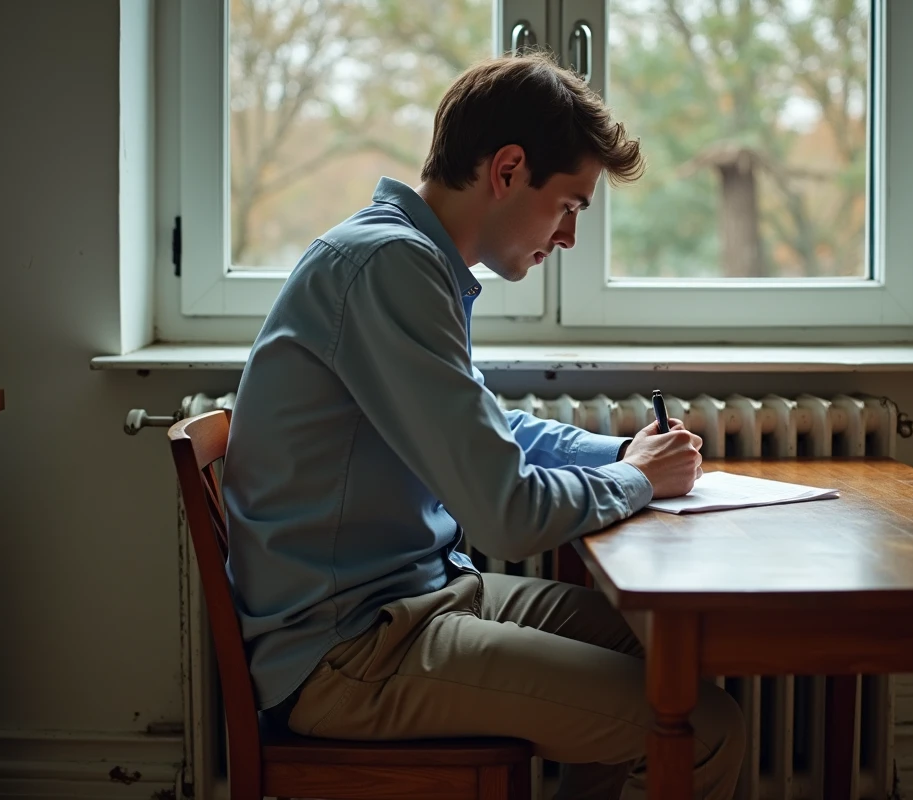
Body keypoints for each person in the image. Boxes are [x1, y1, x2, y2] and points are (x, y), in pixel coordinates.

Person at [222, 52, 745, 799]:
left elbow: (490, 426)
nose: (568, 237)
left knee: (664, 652)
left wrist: (622, 450)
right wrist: (635, 479)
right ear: (507, 170)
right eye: (569, 203)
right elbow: (505, 515)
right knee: (705, 729)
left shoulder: (410, 258)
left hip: (420, 600)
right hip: (352, 652)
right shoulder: (388, 267)